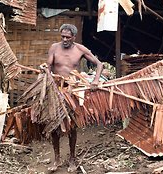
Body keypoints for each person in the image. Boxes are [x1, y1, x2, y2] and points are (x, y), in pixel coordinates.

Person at [46, 24, 103, 172]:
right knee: (54, 126)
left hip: (72, 91)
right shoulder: (54, 48)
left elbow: (99, 64)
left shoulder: (80, 49)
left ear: (74, 37)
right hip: (56, 90)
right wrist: (45, 71)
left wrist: (95, 81)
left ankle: (72, 158)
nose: (64, 39)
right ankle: (57, 158)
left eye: (67, 37)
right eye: (62, 36)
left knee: (72, 126)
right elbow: (48, 67)